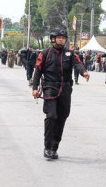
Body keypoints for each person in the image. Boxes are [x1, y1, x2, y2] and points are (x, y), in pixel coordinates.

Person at [32, 28, 89, 160]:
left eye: (63, 38)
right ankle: (47, 147)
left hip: (65, 89)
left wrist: (84, 72)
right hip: (50, 87)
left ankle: (54, 147)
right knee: (51, 116)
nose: (61, 40)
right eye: (59, 38)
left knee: (62, 117)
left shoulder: (70, 53)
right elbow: (38, 71)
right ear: (53, 39)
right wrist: (35, 88)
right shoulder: (45, 53)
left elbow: (78, 64)